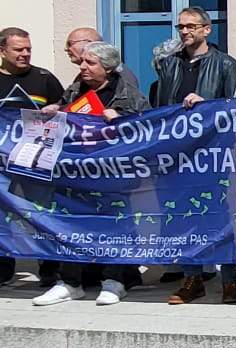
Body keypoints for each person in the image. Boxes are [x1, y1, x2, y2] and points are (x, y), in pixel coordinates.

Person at [33, 41, 149, 306]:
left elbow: (147, 132)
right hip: (76, 172)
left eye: (90, 63)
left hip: (113, 175)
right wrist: (55, 110)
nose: (82, 66)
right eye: (82, 61)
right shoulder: (74, 90)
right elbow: (65, 118)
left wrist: (121, 119)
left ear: (107, 68)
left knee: (115, 226)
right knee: (69, 225)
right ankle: (70, 282)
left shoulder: (129, 95)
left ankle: (114, 280)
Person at [149, 6, 236, 305]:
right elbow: (162, 105)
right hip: (178, 154)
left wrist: (208, 105)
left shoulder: (226, 64)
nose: (185, 32)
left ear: (206, 29)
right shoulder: (169, 65)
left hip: (213, 153)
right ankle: (192, 278)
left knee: (220, 215)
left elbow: (233, 108)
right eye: (181, 27)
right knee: (180, 216)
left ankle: (230, 280)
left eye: (191, 26)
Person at [0, 27, 66, 292]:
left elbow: (66, 109)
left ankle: (49, 268)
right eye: (18, 49)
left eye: (28, 49)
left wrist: (57, 108)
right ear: (2, 51)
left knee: (42, 214)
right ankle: (1, 268)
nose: (25, 54)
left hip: (38, 161)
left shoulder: (45, 79)